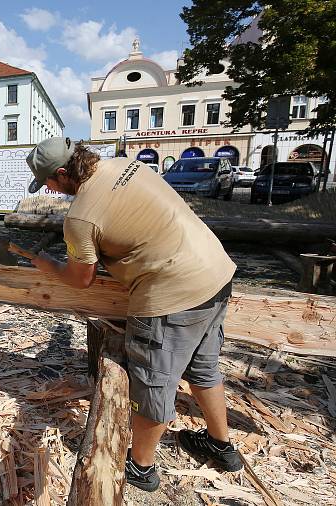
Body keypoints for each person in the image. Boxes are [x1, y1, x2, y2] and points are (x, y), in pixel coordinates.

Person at [26, 137, 243, 492]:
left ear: (63, 173)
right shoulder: (128, 165)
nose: (49, 189)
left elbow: (81, 280)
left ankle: (142, 466)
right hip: (215, 273)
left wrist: (46, 263)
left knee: (154, 382)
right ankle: (221, 446)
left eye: (48, 182)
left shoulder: (80, 217)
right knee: (204, 367)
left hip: (172, 295)